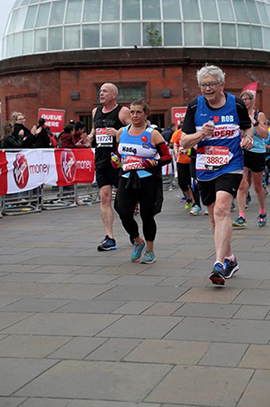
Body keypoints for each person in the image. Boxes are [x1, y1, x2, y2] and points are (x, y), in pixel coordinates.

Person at [181, 65, 253, 286]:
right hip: (204, 167)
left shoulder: (237, 104)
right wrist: (201, 133)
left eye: (212, 84)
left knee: (222, 209)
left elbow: (247, 128)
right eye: (204, 84)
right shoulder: (195, 106)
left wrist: (248, 138)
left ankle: (219, 264)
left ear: (222, 84)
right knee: (214, 217)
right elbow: (183, 141)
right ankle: (230, 258)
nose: (208, 88)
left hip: (231, 164)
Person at [114, 99, 171, 263]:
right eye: (132, 112)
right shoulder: (122, 132)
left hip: (147, 179)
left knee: (147, 215)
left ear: (146, 114)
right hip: (126, 177)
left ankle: (150, 250)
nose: (134, 115)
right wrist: (115, 160)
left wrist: (153, 162)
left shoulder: (153, 133)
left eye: (138, 112)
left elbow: (166, 157)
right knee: (123, 212)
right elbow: (118, 154)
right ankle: (137, 241)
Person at [89, 83, 131, 251]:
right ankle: (110, 238)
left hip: (119, 161)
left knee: (122, 204)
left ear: (114, 95)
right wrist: (90, 136)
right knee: (104, 197)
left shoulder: (123, 111)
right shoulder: (95, 112)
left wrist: (119, 132)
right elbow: (94, 129)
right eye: (100, 91)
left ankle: (134, 233)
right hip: (101, 160)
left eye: (105, 91)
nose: (101, 94)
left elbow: (135, 128)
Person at [232, 91, 268, 228]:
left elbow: (265, 135)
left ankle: (262, 211)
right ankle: (242, 216)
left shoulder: (259, 115)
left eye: (247, 99)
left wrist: (255, 123)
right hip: (242, 152)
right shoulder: (238, 115)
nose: (245, 101)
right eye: (243, 99)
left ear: (252, 100)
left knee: (258, 186)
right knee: (242, 185)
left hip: (257, 152)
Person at [170, 122, 198, 213]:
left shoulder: (193, 133)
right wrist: (176, 151)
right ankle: (188, 197)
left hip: (192, 161)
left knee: (192, 182)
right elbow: (174, 143)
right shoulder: (177, 133)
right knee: (182, 182)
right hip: (181, 160)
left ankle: (194, 202)